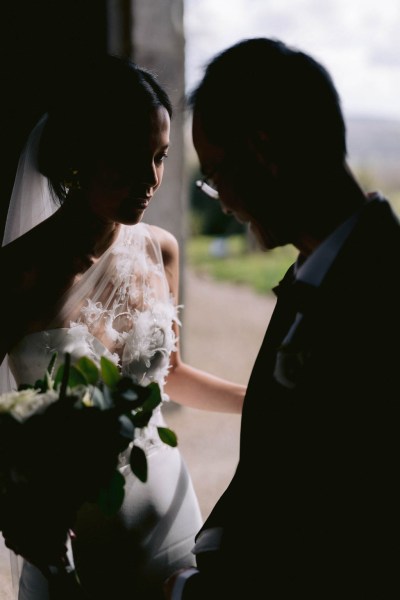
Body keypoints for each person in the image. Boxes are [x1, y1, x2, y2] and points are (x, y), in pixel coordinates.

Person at [0, 54, 245, 600]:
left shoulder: (161, 250)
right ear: (82, 156)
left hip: (172, 519)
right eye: (132, 160)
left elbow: (171, 375)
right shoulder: (18, 276)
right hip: (72, 543)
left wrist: (260, 401)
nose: (152, 180)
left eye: (160, 158)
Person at [164, 37, 400, 599]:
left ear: (264, 150)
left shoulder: (378, 301)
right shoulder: (320, 271)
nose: (220, 200)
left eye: (218, 172)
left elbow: (344, 542)